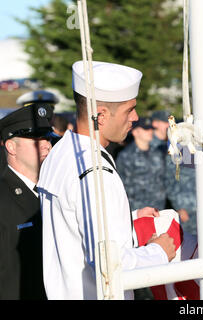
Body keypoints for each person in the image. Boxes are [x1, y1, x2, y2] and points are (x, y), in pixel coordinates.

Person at [37, 61, 176, 300]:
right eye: (129, 110)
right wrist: (159, 252)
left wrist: (130, 221)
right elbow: (110, 267)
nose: (135, 117)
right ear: (100, 115)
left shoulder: (61, 153)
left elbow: (74, 227)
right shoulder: (94, 171)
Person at [0, 103, 55, 299]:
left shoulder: (55, 192)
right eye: (35, 139)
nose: (46, 145)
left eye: (47, 138)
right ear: (11, 147)